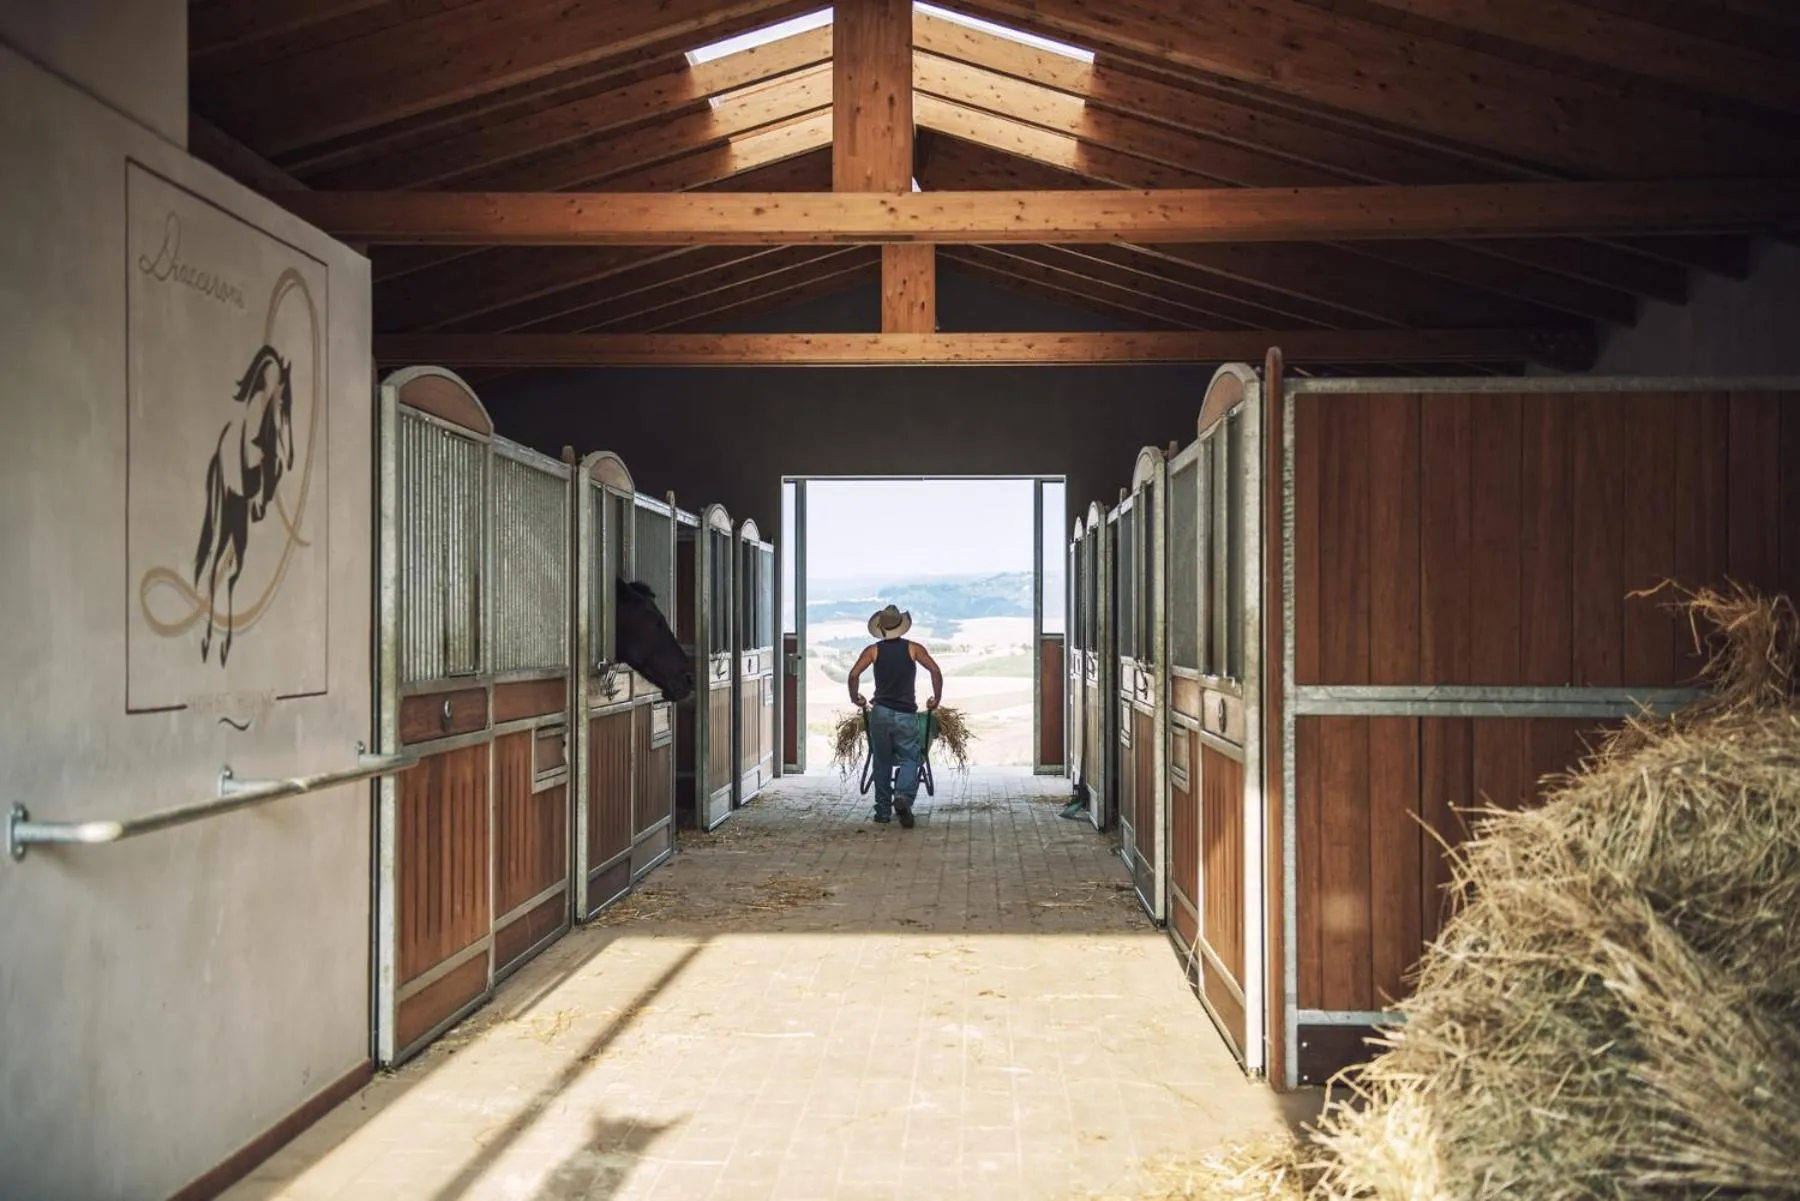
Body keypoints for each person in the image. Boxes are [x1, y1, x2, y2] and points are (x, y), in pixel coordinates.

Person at [847, 604, 944, 828]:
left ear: (881, 628)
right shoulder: (914, 649)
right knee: (910, 758)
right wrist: (936, 698)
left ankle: (882, 812)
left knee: (881, 761)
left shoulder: (873, 651)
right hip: (905, 714)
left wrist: (855, 698)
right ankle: (902, 797)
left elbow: (853, 675)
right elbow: (935, 670)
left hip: (880, 713)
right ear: (901, 626)